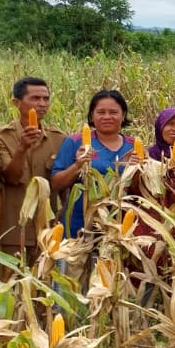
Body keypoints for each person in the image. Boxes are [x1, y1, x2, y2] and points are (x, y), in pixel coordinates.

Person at [0, 77, 66, 264]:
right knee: (9, 279)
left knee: (43, 280)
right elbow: (12, 177)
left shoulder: (59, 139)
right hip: (13, 232)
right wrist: (22, 149)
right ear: (17, 102)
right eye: (35, 98)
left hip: (47, 233)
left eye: (46, 99)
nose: (42, 104)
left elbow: (64, 186)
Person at [51, 89, 138, 237]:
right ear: (92, 115)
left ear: (123, 115)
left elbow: (140, 190)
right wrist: (78, 165)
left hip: (119, 226)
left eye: (113, 112)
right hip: (79, 224)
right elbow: (56, 184)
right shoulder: (75, 142)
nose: (107, 117)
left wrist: (136, 169)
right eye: (101, 112)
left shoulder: (133, 145)